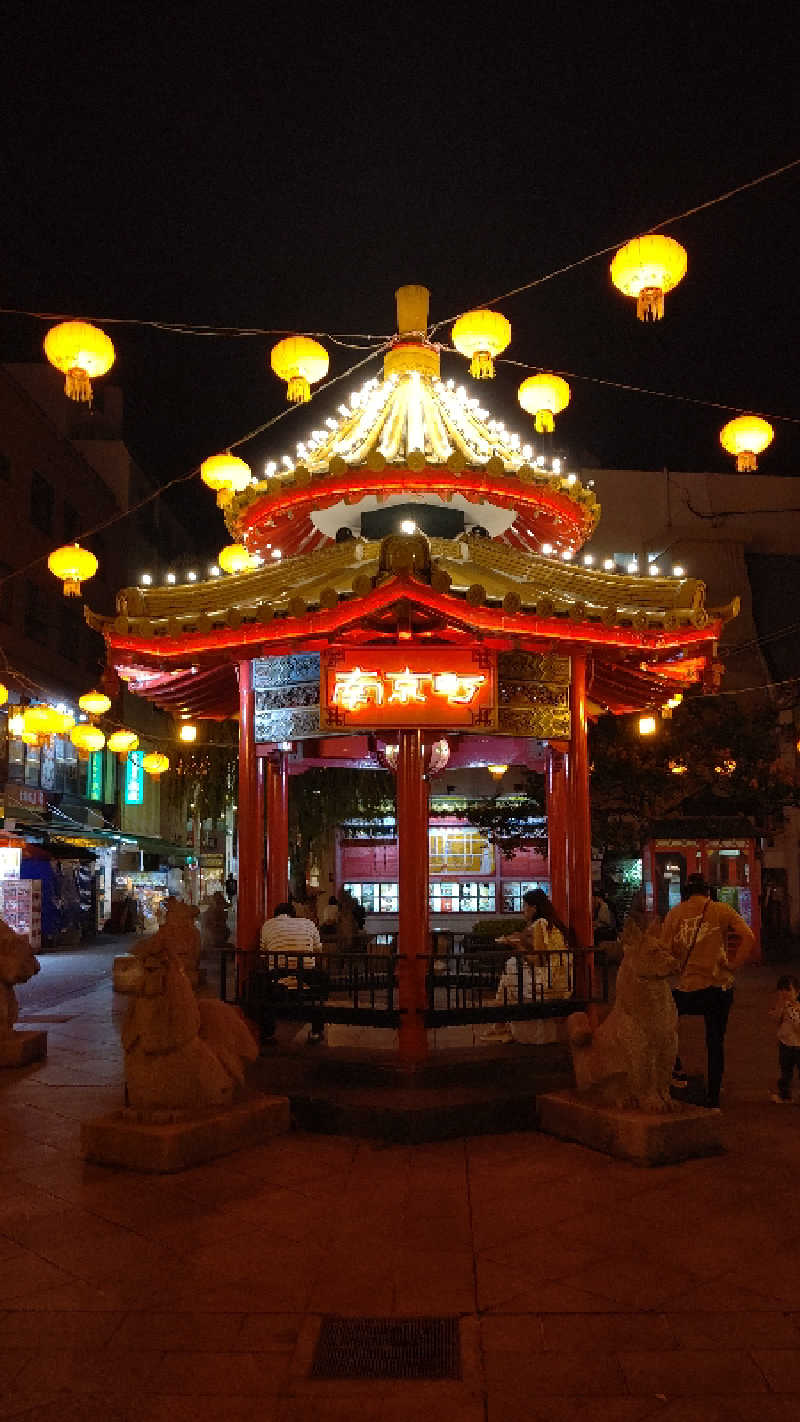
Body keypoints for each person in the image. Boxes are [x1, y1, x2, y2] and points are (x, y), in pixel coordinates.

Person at [662, 873, 755, 1109]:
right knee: (715, 1042)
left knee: (664, 1026)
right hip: (718, 987)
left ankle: (677, 1069)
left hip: (686, 988)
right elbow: (748, 936)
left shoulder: (675, 913)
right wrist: (733, 964)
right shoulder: (721, 910)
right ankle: (713, 1097)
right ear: (708, 892)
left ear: (686, 893)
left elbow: (664, 950)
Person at [482, 889, 571, 1043]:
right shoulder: (553, 924)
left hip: (547, 982)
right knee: (511, 972)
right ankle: (501, 1025)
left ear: (534, 908)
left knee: (510, 968)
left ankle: (500, 1024)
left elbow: (537, 959)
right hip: (563, 981)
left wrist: (515, 945)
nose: (523, 910)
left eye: (524, 906)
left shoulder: (540, 924)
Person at [259, 902, 327, 1043]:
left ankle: (268, 1033)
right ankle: (316, 1031)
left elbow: (263, 954)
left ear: (275, 914)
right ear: (294, 914)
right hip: (306, 978)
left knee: (261, 986)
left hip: (278, 979)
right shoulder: (308, 923)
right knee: (320, 986)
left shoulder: (268, 925)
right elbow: (318, 951)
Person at [768, 974, 800, 1103]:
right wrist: (781, 1005)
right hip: (785, 1044)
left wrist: (793, 1016)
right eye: (781, 990)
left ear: (797, 992)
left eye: (788, 990)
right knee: (785, 1072)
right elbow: (775, 1018)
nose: (784, 993)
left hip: (799, 1046)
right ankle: (785, 1095)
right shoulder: (781, 1006)